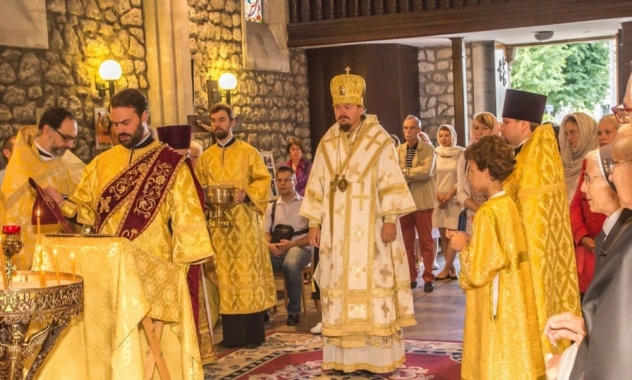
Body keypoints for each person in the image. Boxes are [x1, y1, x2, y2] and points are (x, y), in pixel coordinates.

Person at [300, 69, 417, 373]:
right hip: (337, 237)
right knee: (338, 287)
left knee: (372, 288)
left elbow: (390, 181)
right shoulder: (328, 141)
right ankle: (342, 359)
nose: (342, 112)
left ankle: (376, 359)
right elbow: (317, 183)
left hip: (373, 232)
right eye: (338, 107)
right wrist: (314, 222)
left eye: (348, 107)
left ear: (361, 108)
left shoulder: (379, 140)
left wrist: (390, 218)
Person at [448, 135, 544, 379]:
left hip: (495, 299)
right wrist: (473, 242)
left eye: (471, 170)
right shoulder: (508, 205)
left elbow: (480, 271)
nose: (468, 176)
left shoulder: (487, 212)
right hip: (511, 292)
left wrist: (462, 246)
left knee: (494, 352)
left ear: (487, 172)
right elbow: (501, 250)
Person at [500, 88, 581, 357]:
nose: (502, 127)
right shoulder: (525, 153)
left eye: (506, 122)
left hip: (535, 253)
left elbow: (530, 210)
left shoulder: (537, 155)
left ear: (524, 124)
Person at [544, 140, 631, 380]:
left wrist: (569, 366)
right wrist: (585, 328)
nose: (582, 189)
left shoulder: (626, 244)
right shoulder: (612, 234)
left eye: (590, 179)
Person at [194, 102, 276, 349]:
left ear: (232, 122)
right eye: (214, 120)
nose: (217, 124)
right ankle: (231, 338)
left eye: (221, 119)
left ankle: (253, 336)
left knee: (246, 275)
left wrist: (247, 194)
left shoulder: (248, 152)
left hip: (244, 227)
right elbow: (198, 188)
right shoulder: (205, 158)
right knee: (226, 279)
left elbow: (264, 181)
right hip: (218, 228)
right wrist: (206, 198)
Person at [2, 108, 85, 269]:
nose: (71, 145)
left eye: (74, 139)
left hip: (71, 260)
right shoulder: (20, 170)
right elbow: (14, 218)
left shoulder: (77, 167)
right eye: (66, 138)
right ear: (48, 130)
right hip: (34, 263)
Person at [569, 115, 619, 295]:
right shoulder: (589, 162)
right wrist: (582, 236)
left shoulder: (623, 168)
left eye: (608, 132)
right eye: (599, 133)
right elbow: (575, 204)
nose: (602, 137)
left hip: (613, 245)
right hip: (589, 249)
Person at [264, 165, 312, 326]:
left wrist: (293, 244)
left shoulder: (306, 205)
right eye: (279, 180)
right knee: (260, 263)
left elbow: (312, 235)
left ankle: (293, 312)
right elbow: (265, 233)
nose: (283, 184)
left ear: (295, 181)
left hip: (301, 248)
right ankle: (263, 308)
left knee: (291, 264)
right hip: (277, 249)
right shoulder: (271, 207)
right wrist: (269, 246)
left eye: (287, 180)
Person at [396, 115, 436, 291]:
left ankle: (428, 277)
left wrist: (405, 171)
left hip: (422, 201)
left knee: (426, 241)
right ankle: (411, 276)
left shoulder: (428, 149)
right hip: (404, 201)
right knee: (407, 242)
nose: (408, 131)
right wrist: (411, 171)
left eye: (412, 128)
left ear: (419, 130)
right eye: (405, 128)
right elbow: (394, 172)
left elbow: (426, 172)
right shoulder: (398, 150)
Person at [456, 112, 501, 234]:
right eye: (476, 128)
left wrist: (488, 211)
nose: (479, 133)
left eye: (484, 128)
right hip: (473, 214)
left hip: (497, 212)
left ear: (493, 130)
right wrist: (480, 210)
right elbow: (460, 191)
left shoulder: (500, 155)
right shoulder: (465, 157)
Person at [433, 124, 463, 281]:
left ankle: (446, 268)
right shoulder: (435, 154)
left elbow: (461, 178)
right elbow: (431, 177)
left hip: (454, 199)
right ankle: (450, 269)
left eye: (447, 135)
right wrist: (438, 196)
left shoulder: (460, 154)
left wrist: (449, 195)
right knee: (443, 236)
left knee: (452, 234)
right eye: (441, 135)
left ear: (453, 136)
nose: (444, 139)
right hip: (438, 200)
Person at [558, 112, 598, 203]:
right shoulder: (566, 159)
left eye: (572, 132)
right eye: (566, 133)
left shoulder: (596, 159)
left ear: (586, 131)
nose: (568, 138)